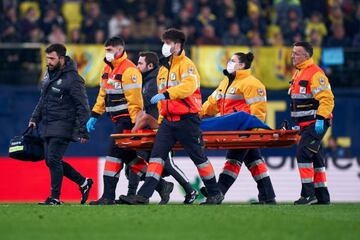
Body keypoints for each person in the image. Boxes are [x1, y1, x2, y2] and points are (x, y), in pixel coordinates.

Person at [121, 28, 223, 205]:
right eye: (164, 42)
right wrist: (161, 120)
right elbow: (161, 101)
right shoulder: (163, 69)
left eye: (168, 43)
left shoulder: (187, 65)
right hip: (168, 122)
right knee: (156, 158)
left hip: (187, 120)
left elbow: (188, 88)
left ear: (178, 45)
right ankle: (143, 196)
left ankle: (215, 193)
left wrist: (167, 94)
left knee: (199, 158)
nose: (165, 46)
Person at [200, 52, 276, 204]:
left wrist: (254, 134)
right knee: (255, 161)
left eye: (232, 60)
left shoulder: (252, 83)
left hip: (244, 131)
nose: (228, 62)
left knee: (233, 160)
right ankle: (268, 197)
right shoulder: (226, 82)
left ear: (241, 65)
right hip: (234, 130)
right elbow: (212, 103)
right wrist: (197, 115)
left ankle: (218, 192)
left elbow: (258, 110)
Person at [122, 51, 197, 204]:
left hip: (162, 129)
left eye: (140, 63)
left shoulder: (152, 83)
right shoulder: (148, 81)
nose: (137, 66)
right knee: (136, 161)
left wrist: (134, 129)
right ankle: (138, 193)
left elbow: (146, 114)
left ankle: (190, 190)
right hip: (151, 130)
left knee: (167, 164)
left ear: (150, 65)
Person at [87, 36, 149, 205]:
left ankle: (107, 196)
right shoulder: (107, 70)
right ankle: (159, 183)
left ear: (120, 50)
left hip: (127, 121)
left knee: (113, 156)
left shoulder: (130, 71)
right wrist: (94, 114)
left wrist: (136, 126)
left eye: (110, 50)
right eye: (106, 50)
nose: (107, 53)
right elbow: (102, 95)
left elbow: (135, 102)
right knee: (130, 158)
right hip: (117, 120)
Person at [29, 43, 93, 205]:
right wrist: (34, 118)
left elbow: (83, 105)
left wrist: (83, 130)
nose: (48, 61)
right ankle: (84, 182)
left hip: (65, 124)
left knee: (53, 159)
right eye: (47, 58)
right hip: (49, 124)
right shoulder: (48, 75)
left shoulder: (73, 79)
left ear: (62, 59)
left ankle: (55, 198)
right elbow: (43, 100)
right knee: (51, 161)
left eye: (52, 58)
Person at [290, 41, 334, 205]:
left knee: (303, 153)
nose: (292, 55)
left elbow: (327, 99)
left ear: (306, 56)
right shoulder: (299, 73)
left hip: (315, 123)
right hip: (305, 124)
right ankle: (322, 197)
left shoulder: (315, 74)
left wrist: (321, 119)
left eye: (296, 53)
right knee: (315, 157)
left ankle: (308, 194)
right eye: (292, 52)